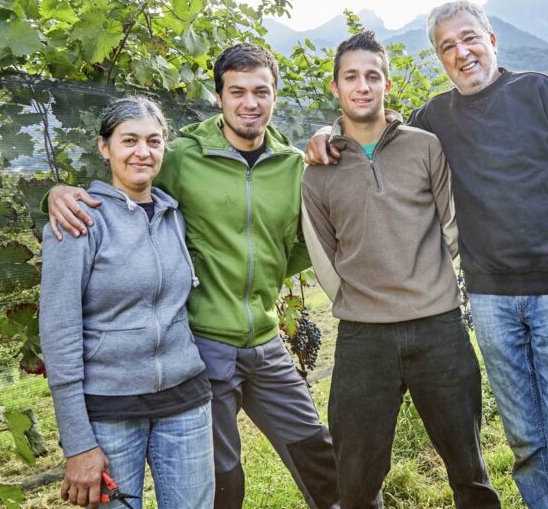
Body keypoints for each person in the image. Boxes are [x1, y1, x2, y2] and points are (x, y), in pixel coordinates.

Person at [305, 2, 548, 509]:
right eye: (447, 46)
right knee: (526, 444)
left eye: (469, 38)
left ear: (492, 40)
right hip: (491, 300)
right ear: (438, 57)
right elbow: (379, 137)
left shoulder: (542, 93)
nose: (462, 52)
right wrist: (323, 135)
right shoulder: (436, 121)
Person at [46, 43, 339, 509]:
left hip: (264, 339)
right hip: (202, 346)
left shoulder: (291, 166)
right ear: (218, 97)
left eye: (261, 91)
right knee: (222, 476)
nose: (249, 102)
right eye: (236, 90)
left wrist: (330, 130)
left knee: (318, 453)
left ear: (275, 97)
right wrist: (58, 192)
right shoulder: (180, 156)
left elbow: (305, 242)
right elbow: (125, 188)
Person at [301, 31, 500, 509]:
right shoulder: (318, 168)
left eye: (373, 76)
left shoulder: (425, 147)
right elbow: (324, 256)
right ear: (336, 87)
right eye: (351, 77)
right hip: (363, 340)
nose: (363, 86)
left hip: (439, 330)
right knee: (357, 481)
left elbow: (450, 226)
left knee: (469, 471)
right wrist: (362, 301)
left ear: (387, 83)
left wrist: (424, 278)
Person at [40, 97, 214, 509]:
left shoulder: (174, 215)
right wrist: (78, 443)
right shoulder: (80, 219)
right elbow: (59, 333)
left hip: (184, 402)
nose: (142, 151)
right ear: (105, 147)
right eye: (129, 140)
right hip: (109, 412)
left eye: (154, 141)